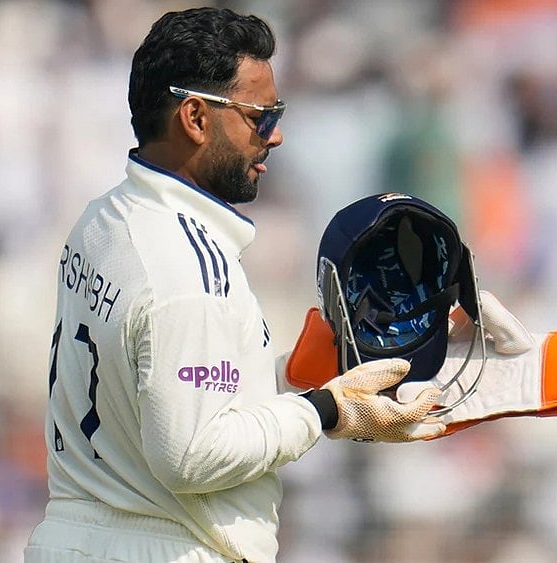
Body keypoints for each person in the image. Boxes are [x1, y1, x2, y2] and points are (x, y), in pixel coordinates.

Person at [23, 8, 446, 563]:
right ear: (196, 118)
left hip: (78, 538)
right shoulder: (185, 265)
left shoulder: (104, 220)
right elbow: (192, 455)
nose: (276, 135)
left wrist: (299, 374)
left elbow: (162, 385)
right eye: (261, 116)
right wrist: (325, 411)